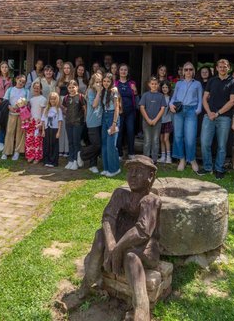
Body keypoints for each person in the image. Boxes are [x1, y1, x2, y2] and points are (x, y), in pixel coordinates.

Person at [79, 155, 160, 321]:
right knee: (100, 236)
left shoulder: (151, 200)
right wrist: (110, 244)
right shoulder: (120, 194)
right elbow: (108, 217)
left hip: (144, 248)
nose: (132, 175)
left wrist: (118, 248)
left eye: (139, 171)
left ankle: (141, 309)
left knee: (130, 257)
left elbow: (142, 231)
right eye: (130, 171)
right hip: (119, 242)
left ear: (150, 176)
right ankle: (87, 282)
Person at [200, 59, 234, 178]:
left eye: (225, 66)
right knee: (205, 143)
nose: (222, 68)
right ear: (216, 68)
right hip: (208, 116)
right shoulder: (212, 81)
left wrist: (217, 113)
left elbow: (232, 102)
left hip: (224, 118)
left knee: (222, 145)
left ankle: (219, 169)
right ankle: (207, 167)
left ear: (228, 68)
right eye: (220, 66)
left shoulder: (233, 82)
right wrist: (209, 112)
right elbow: (204, 98)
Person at [169, 62, 203, 172]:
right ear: (183, 71)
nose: (188, 71)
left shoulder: (197, 84)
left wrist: (198, 110)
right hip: (179, 111)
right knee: (178, 136)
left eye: (190, 69)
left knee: (190, 137)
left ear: (193, 71)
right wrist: (170, 104)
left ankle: (192, 159)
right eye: (186, 69)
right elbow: (173, 98)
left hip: (191, 111)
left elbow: (200, 98)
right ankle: (182, 159)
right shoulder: (179, 83)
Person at [139, 77, 167, 164]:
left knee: (155, 140)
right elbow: (142, 107)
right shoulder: (145, 95)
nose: (154, 85)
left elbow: (162, 109)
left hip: (157, 122)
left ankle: (154, 160)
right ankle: (145, 160)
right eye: (152, 84)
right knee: (147, 140)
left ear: (158, 85)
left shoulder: (161, 96)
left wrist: (155, 120)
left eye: (155, 84)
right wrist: (148, 119)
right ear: (149, 85)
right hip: (146, 121)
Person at [2, 75, 29, 161]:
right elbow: (5, 101)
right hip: (11, 114)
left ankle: (17, 151)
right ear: (16, 79)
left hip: (22, 115)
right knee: (10, 132)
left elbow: (27, 103)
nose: (21, 83)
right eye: (20, 81)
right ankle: (6, 152)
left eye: (23, 82)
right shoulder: (10, 90)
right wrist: (10, 107)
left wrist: (21, 106)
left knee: (20, 133)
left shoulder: (26, 91)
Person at [81, 73, 103, 173]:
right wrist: (98, 92)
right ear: (93, 83)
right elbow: (94, 104)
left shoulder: (102, 91)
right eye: (96, 82)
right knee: (96, 145)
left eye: (100, 82)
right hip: (92, 122)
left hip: (101, 121)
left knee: (98, 144)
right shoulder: (90, 91)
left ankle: (93, 165)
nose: (99, 84)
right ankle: (81, 154)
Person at [115, 64, 138, 159]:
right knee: (119, 132)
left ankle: (131, 153)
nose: (123, 71)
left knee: (130, 131)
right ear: (118, 71)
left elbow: (136, 95)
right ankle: (119, 153)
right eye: (121, 70)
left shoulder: (131, 83)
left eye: (125, 70)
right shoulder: (115, 83)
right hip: (119, 111)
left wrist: (135, 90)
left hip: (130, 112)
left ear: (127, 72)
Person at [63, 80, 86, 170]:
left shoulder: (81, 97)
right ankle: (71, 160)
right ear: (67, 88)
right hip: (68, 123)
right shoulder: (66, 98)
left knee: (76, 142)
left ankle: (77, 160)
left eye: (73, 87)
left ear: (77, 87)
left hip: (78, 123)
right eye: (70, 87)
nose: (71, 89)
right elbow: (65, 109)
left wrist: (84, 120)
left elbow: (85, 109)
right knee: (70, 142)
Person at [101, 73, 121, 177]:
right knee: (104, 143)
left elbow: (117, 107)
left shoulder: (114, 91)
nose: (106, 83)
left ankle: (115, 169)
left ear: (111, 82)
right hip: (105, 116)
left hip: (113, 117)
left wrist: (114, 123)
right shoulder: (103, 91)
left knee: (111, 145)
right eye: (104, 81)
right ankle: (106, 168)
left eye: (108, 81)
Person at [24, 80, 47, 164]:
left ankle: (37, 157)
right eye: (35, 88)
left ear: (41, 89)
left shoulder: (43, 99)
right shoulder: (31, 99)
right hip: (31, 121)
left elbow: (43, 112)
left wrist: (41, 122)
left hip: (38, 121)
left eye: (38, 88)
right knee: (30, 139)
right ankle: (30, 155)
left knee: (37, 140)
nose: (36, 89)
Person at [57, 61, 75, 157]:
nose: (66, 70)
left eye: (68, 68)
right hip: (61, 103)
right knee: (61, 126)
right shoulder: (60, 80)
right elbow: (57, 94)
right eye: (65, 68)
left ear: (71, 69)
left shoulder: (73, 80)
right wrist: (62, 106)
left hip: (71, 102)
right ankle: (61, 149)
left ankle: (67, 150)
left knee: (68, 127)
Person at [41, 92, 63, 168]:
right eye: (51, 99)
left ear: (57, 100)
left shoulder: (58, 110)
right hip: (47, 129)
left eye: (54, 99)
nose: (52, 101)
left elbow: (60, 121)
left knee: (54, 145)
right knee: (46, 145)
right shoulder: (46, 109)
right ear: (49, 100)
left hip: (55, 129)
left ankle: (54, 162)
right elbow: (43, 121)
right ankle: (46, 161)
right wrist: (43, 130)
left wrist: (58, 132)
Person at [158, 81, 173, 164]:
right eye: (163, 87)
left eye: (166, 87)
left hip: (168, 120)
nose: (164, 89)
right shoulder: (159, 97)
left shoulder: (171, 98)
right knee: (161, 139)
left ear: (169, 88)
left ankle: (168, 157)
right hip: (160, 121)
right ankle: (163, 156)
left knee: (166, 139)